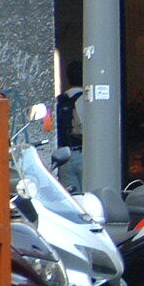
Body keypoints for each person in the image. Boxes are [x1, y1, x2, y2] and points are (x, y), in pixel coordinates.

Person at [53, 60, 85, 189]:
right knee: (90, 195)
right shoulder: (86, 99)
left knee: (71, 197)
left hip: (64, 156)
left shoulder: (60, 100)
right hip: (82, 154)